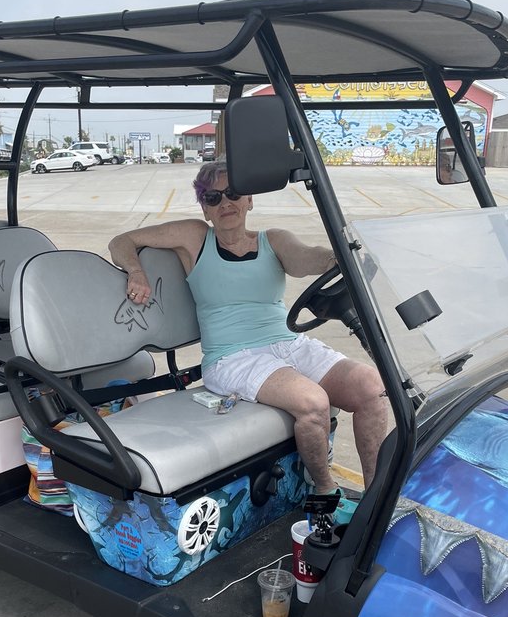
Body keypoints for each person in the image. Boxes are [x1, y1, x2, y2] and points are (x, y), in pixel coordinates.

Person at [108, 160, 388, 491]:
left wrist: (335, 258)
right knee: (313, 403)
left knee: (372, 387)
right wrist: (136, 272)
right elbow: (121, 241)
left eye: (234, 193)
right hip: (232, 356)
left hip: (288, 344)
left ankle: (375, 495)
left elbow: (307, 257)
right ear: (205, 209)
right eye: (213, 198)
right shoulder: (195, 238)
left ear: (250, 199)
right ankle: (324, 491)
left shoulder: (274, 240)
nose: (225, 203)